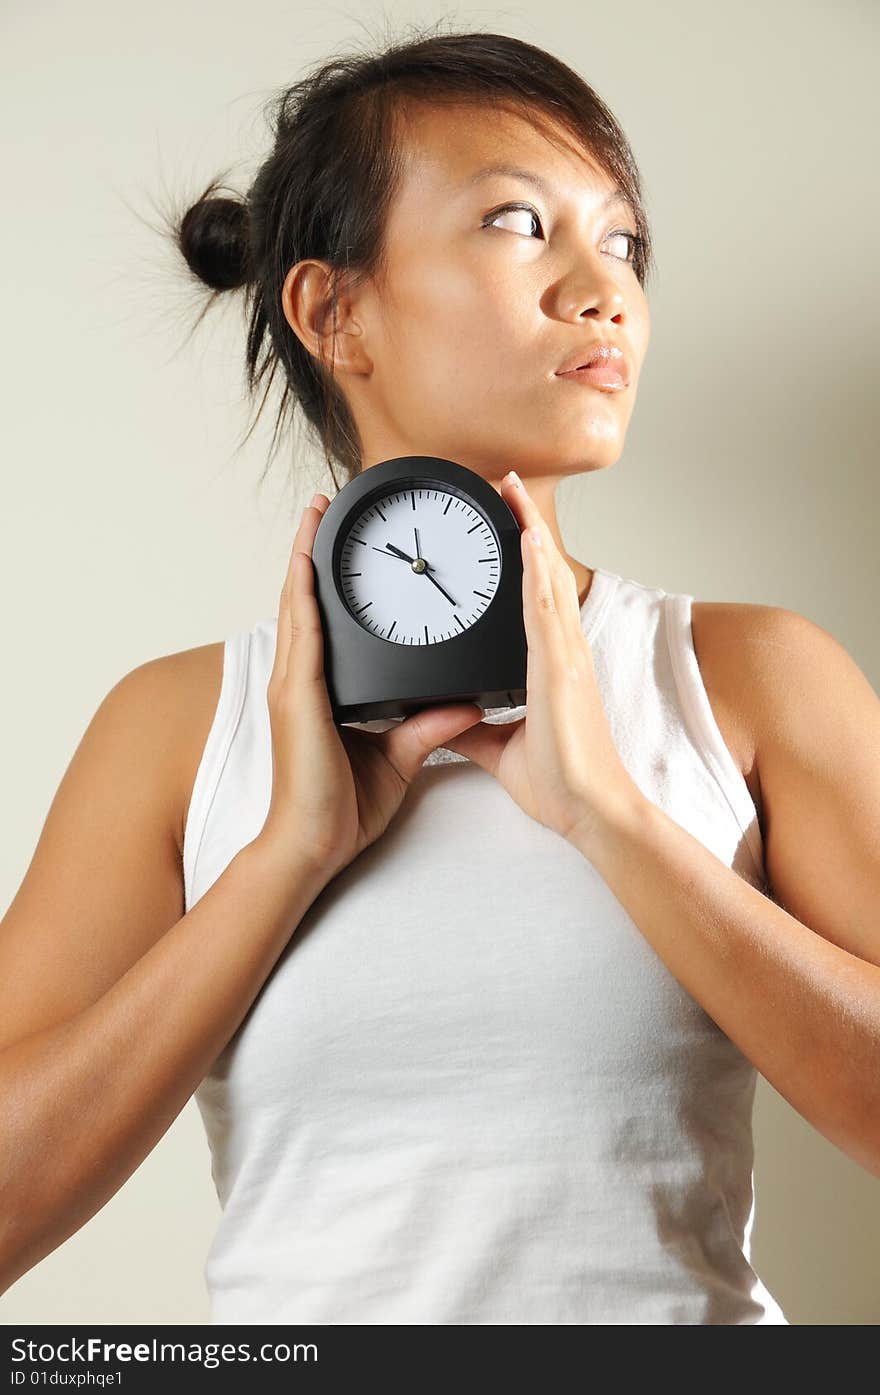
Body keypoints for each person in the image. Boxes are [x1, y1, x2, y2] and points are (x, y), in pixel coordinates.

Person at [3, 26, 879, 1326]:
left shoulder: (747, 678)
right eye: (522, 224)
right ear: (333, 310)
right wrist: (284, 859)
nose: (605, 289)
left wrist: (612, 819)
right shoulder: (180, 728)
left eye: (626, 242)